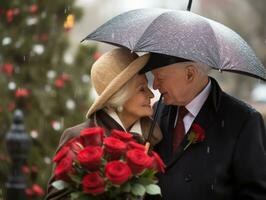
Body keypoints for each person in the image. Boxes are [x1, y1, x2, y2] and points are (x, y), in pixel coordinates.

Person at [142, 53, 266, 200]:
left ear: (190, 74)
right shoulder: (158, 110)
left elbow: (255, 194)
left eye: (160, 78)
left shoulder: (244, 120)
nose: (155, 85)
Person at [45, 48, 162, 200]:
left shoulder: (155, 138)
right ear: (120, 96)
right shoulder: (78, 138)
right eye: (141, 89)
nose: (151, 94)